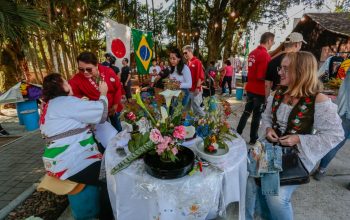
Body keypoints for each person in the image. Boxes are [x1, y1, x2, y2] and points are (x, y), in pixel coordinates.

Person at [246, 51, 344, 220]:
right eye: (280, 68)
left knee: (276, 197)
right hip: (270, 149)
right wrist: (268, 129)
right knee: (252, 181)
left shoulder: (318, 100)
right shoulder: (279, 92)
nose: (279, 72)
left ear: (300, 71)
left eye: (285, 69)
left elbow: (335, 135)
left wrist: (299, 138)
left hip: (296, 156)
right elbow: (267, 117)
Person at [40, 73, 113, 219]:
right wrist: (103, 93)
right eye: (66, 82)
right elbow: (101, 113)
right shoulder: (66, 102)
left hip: (57, 162)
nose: (69, 84)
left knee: (106, 164)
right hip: (72, 162)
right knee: (111, 177)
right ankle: (107, 216)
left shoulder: (50, 105)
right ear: (61, 86)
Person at [69, 52, 123, 132]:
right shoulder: (77, 79)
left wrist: (115, 104)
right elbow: (66, 91)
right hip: (98, 112)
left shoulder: (108, 71)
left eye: (89, 69)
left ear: (96, 65)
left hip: (114, 108)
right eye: (81, 69)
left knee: (118, 128)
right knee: (106, 134)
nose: (85, 72)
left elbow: (118, 88)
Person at [237, 32, 275, 145]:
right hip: (259, 91)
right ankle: (253, 138)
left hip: (250, 88)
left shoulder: (253, 53)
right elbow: (261, 76)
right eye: (273, 42)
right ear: (269, 41)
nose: (272, 44)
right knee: (256, 116)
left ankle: (238, 134)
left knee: (246, 113)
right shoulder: (265, 55)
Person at [313, 68, 350, 181]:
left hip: (346, 112)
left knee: (335, 143)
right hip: (346, 112)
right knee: (334, 141)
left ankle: (321, 170)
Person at [265, 32, 306, 98]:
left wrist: (266, 101)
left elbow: (267, 84)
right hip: (292, 97)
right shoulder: (299, 61)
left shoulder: (272, 60)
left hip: (275, 96)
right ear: (296, 45)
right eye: (300, 45)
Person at [182, 45, 205, 116]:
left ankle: (206, 123)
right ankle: (183, 123)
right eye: (183, 53)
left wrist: (197, 88)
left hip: (195, 89)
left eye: (186, 52)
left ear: (190, 51)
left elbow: (200, 77)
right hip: (188, 90)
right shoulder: (188, 63)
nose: (184, 55)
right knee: (185, 108)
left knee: (196, 108)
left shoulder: (197, 62)